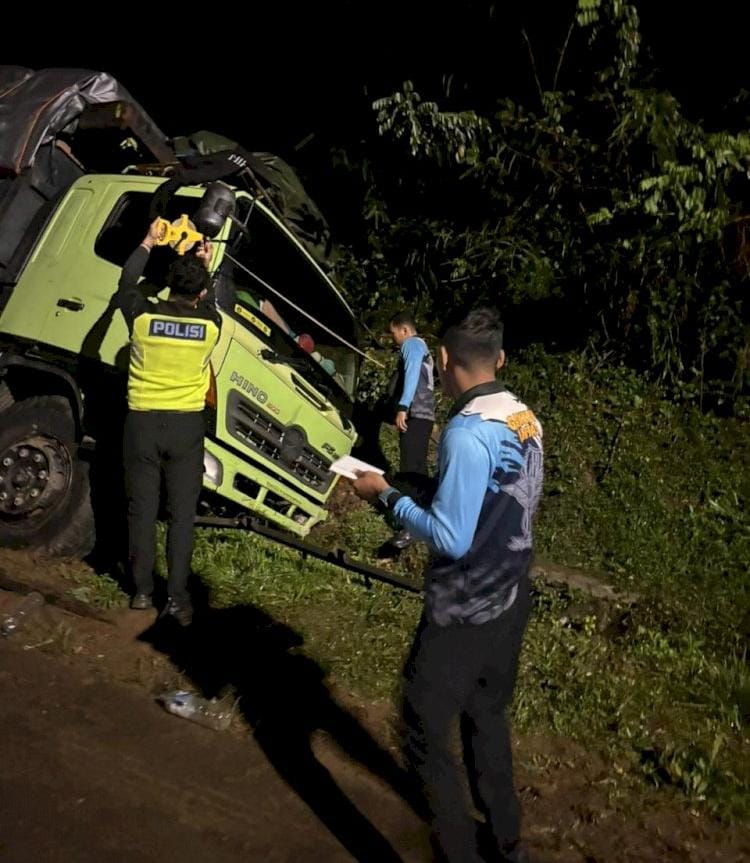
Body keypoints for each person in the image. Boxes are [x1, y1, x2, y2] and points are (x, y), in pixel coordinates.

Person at [352, 308, 543, 863]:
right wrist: (417, 486)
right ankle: (508, 844)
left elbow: (451, 537)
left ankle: (458, 852)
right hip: (511, 598)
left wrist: (385, 497)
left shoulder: (464, 432)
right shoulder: (523, 417)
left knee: (422, 721)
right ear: (500, 359)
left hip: (465, 608)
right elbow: (493, 494)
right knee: (486, 716)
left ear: (443, 360)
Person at [116, 219, 221, 626]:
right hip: (186, 430)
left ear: (166, 284)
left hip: (141, 425)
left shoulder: (141, 317)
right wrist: (205, 262)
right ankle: (176, 598)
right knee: (181, 515)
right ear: (199, 292)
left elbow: (126, 283)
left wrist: (147, 241)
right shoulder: (210, 327)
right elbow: (211, 302)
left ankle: (141, 591)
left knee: (141, 510)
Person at [387, 311, 436, 549]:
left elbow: (412, 372)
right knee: (417, 468)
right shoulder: (423, 347)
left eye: (393, 333)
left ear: (404, 330)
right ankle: (423, 521)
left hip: (415, 413)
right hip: (424, 415)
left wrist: (403, 406)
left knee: (410, 470)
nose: (393, 339)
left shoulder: (412, 345)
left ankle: (410, 527)